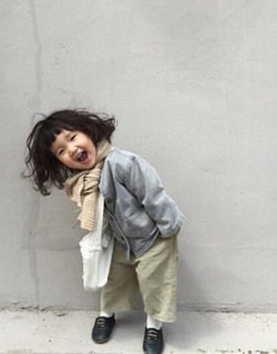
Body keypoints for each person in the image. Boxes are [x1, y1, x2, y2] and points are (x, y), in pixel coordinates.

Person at [24, 109, 184, 354]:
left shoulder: (123, 163)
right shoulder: (84, 180)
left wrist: (169, 229)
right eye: (61, 151)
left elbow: (154, 196)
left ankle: (154, 326)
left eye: (73, 138)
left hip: (153, 238)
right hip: (121, 240)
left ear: (88, 132)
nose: (71, 149)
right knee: (112, 279)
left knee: (156, 284)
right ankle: (106, 314)